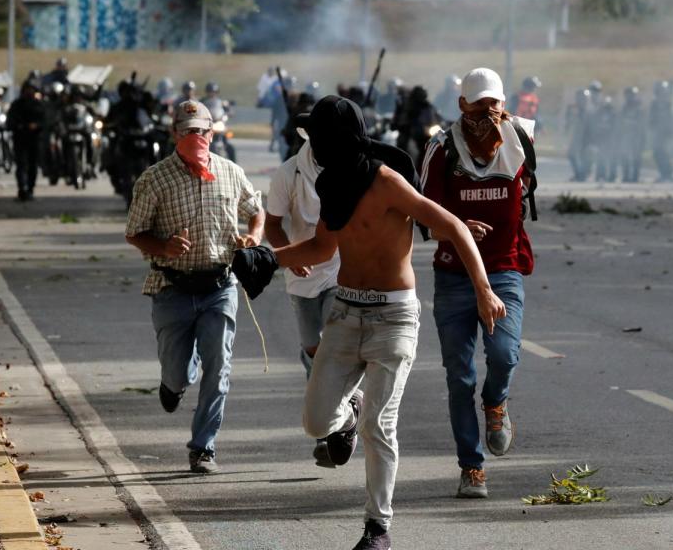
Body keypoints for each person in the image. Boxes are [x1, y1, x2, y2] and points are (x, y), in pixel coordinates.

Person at [231, 95, 505, 550]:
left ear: (335, 141)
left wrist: (484, 289)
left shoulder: (387, 182)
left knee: (380, 425)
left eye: (319, 138)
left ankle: (377, 527)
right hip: (344, 310)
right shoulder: (332, 186)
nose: (314, 147)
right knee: (317, 423)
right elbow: (321, 249)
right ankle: (348, 410)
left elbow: (454, 226)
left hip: (394, 317)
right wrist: (265, 257)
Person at [125, 98, 263, 475]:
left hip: (219, 286)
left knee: (219, 367)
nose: (194, 137)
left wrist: (252, 236)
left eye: (201, 130)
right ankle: (173, 384)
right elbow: (134, 233)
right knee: (178, 371)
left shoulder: (231, 172)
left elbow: (256, 209)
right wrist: (164, 246)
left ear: (211, 132)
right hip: (172, 288)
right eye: (186, 131)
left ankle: (203, 447)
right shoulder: (154, 179)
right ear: (174, 134)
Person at [418, 67, 534, 500]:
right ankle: (472, 467)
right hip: (454, 276)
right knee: (458, 378)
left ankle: (496, 403)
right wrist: (456, 227)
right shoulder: (441, 148)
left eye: (495, 102)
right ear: (463, 105)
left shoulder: (521, 139)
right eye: (480, 103)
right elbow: (422, 215)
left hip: (504, 270)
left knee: (504, 354)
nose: (489, 111)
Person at [264, 128, 338, 467]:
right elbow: (273, 224)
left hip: (340, 270)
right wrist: (289, 257)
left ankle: (332, 428)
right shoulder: (288, 172)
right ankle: (325, 414)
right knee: (314, 349)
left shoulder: (349, 168)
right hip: (302, 274)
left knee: (338, 347)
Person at [7, 80, 46, 201]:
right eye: (27, 89)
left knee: (32, 166)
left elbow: (45, 122)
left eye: (31, 89)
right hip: (20, 138)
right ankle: (22, 188)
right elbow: (10, 122)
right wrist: (19, 126)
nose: (29, 92)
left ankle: (30, 188)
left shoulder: (39, 105)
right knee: (21, 164)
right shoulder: (17, 105)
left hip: (34, 139)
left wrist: (36, 126)